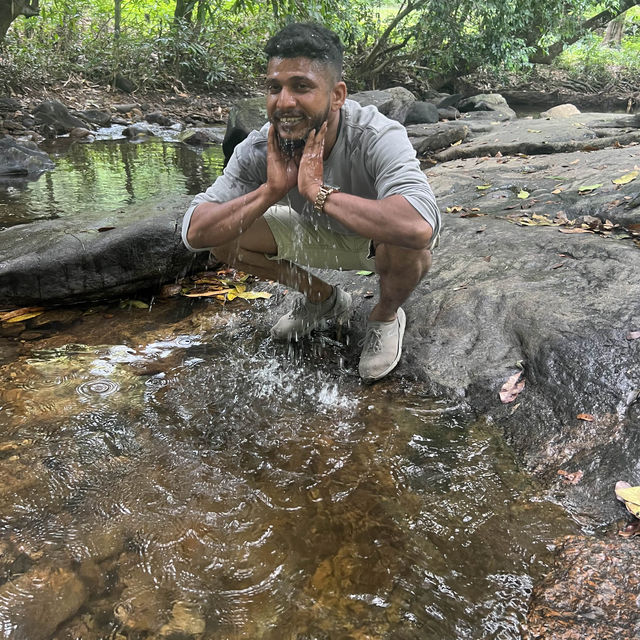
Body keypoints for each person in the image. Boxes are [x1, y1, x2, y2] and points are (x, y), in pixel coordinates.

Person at [182, 22, 440, 381]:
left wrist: (316, 191)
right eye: (275, 88)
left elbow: (418, 226)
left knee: (407, 242)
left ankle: (385, 314)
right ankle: (324, 300)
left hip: (373, 243)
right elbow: (196, 232)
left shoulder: (376, 134)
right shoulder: (261, 147)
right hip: (312, 234)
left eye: (301, 87)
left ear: (337, 95)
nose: (284, 102)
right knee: (225, 236)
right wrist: (270, 191)